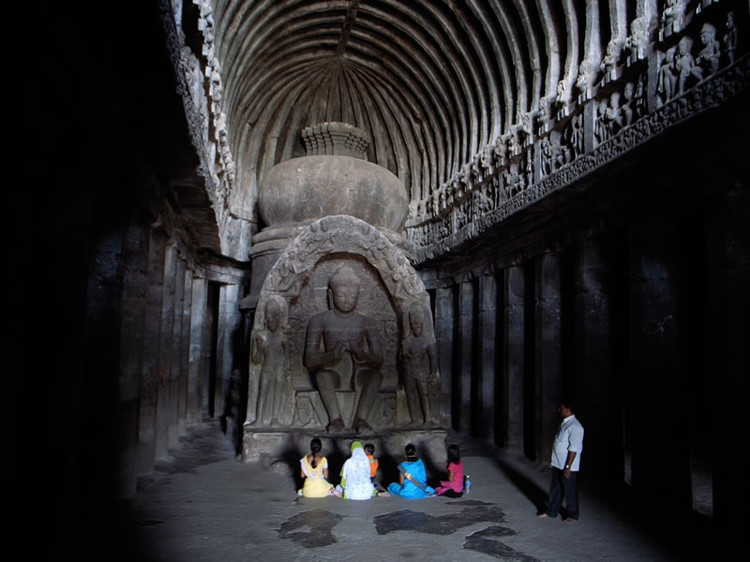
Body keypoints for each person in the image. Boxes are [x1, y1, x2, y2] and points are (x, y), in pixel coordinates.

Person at [303, 265, 384, 433]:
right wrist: (332, 354)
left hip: (359, 372)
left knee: (375, 377)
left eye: (352, 295)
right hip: (332, 372)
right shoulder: (319, 321)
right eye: (341, 295)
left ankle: (361, 419)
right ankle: (335, 419)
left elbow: (378, 359)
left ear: (358, 296)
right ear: (331, 296)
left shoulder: (366, 322)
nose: (347, 300)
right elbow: (309, 360)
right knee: (322, 376)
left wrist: (360, 353)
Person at [538, 403, 584, 522]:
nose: (559, 410)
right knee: (556, 488)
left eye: (562, 408)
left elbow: (574, 449)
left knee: (569, 490)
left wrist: (568, 467)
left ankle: (572, 515)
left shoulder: (575, 426)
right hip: (558, 463)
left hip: (567, 465)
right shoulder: (565, 423)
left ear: (568, 409)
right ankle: (552, 511)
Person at [401, 302, 440, 426]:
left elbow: (433, 359)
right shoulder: (407, 340)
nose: (416, 327)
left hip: (421, 371)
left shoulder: (428, 341)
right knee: (411, 395)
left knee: (424, 394)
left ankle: (427, 418)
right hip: (408, 371)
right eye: (414, 325)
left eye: (418, 325)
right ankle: (414, 419)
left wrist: (433, 373)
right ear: (411, 326)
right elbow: (401, 356)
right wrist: (403, 355)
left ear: (423, 325)